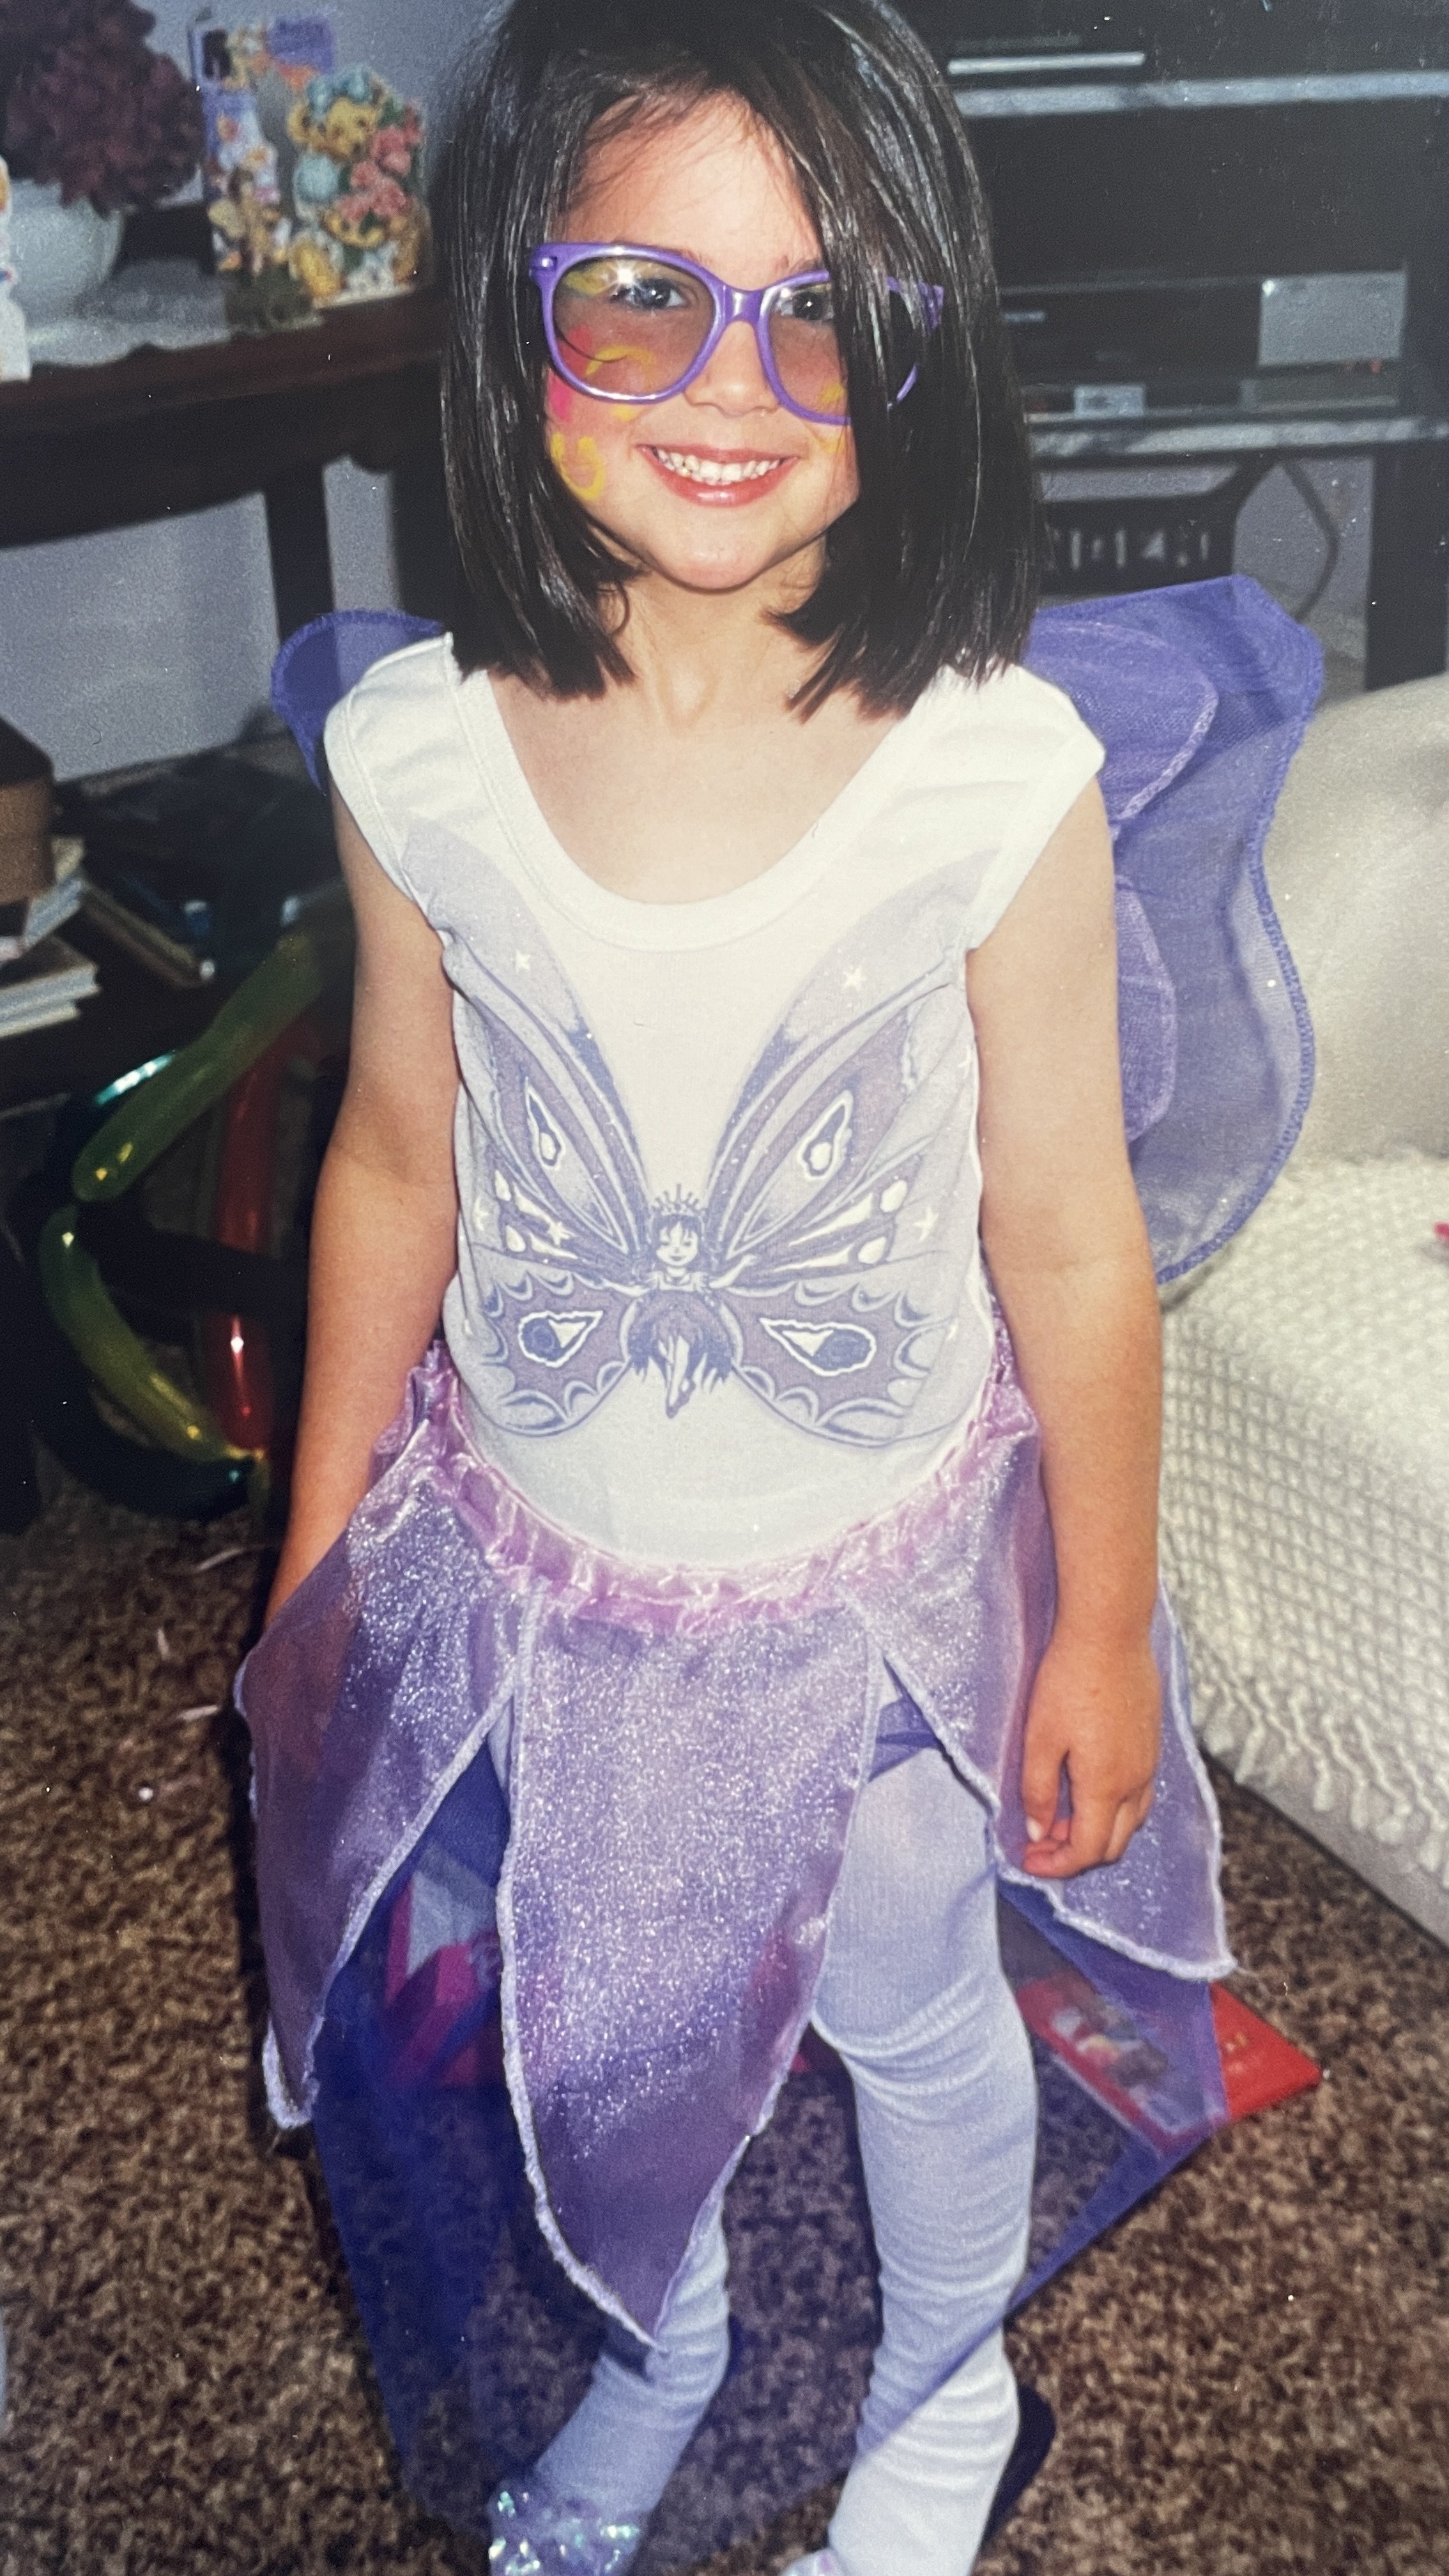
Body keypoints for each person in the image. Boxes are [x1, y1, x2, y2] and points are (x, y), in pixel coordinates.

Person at [240, 3, 1237, 2570]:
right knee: (603, 2022)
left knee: (906, 1999)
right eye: (644, 297)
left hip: (863, 1596)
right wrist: (324, 1555)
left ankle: (943, 2383)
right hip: (538, 1585)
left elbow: (1067, 1232)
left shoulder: (990, 778)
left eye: (825, 312)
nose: (737, 383)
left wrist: (1100, 1625)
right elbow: (389, 1156)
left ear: (922, 360)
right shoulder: (420, 766)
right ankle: (665, 2347)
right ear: (511, 321)